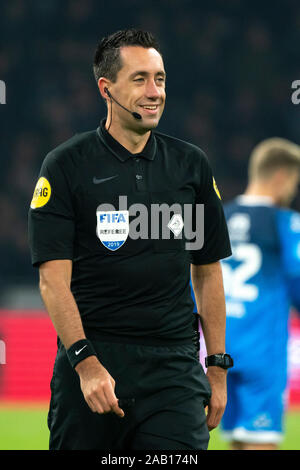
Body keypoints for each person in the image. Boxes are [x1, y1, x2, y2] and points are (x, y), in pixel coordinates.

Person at [28, 29, 232, 451]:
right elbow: (52, 281)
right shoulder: (66, 165)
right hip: (96, 361)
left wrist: (216, 367)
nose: (154, 91)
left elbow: (208, 272)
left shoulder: (190, 165)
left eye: (159, 78)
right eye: (140, 79)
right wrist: (85, 364)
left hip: (174, 367)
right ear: (107, 88)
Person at [219, 138, 300, 450]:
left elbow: (192, 283)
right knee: (261, 442)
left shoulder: (218, 219)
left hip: (218, 351)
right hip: (262, 352)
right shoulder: (285, 223)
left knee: (237, 441)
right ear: (281, 177)